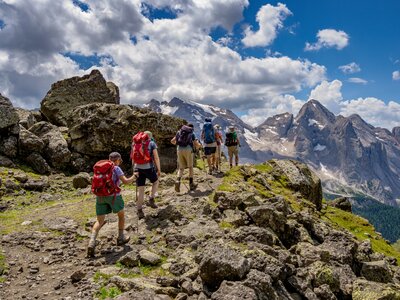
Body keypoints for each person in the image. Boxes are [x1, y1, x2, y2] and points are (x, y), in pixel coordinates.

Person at [87, 152, 136, 258]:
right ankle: (120, 237)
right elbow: (126, 181)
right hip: (114, 196)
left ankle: (92, 241)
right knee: (121, 215)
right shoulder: (116, 168)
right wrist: (134, 176)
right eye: (119, 160)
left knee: (99, 220)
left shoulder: (101, 168)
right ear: (118, 160)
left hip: (100, 196)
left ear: (109, 159)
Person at [133, 131, 161, 220]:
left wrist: (134, 169)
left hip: (137, 167)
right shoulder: (152, 143)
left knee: (141, 189)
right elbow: (156, 157)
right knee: (155, 182)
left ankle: (139, 210)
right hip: (148, 167)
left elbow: (133, 157)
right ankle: (151, 199)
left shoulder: (135, 143)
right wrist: (159, 169)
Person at [171, 123, 200, 192]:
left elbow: (172, 141)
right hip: (188, 150)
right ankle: (191, 184)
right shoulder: (192, 133)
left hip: (179, 149)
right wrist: (199, 147)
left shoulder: (179, 132)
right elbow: (196, 144)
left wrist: (178, 145)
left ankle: (178, 180)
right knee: (190, 167)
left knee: (181, 168)